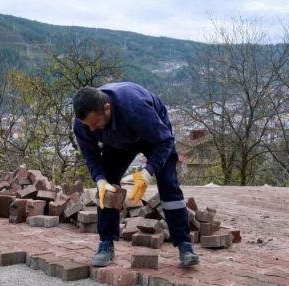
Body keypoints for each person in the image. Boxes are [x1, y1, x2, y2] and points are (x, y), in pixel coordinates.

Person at [72, 82, 199, 268]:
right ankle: (106, 243)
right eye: (88, 125)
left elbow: (165, 141)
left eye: (95, 123)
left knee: (168, 186)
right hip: (117, 142)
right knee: (107, 188)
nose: (92, 129)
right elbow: (90, 154)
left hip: (154, 137)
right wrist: (100, 179)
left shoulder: (135, 108)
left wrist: (147, 173)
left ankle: (184, 245)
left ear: (107, 108)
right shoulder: (84, 123)